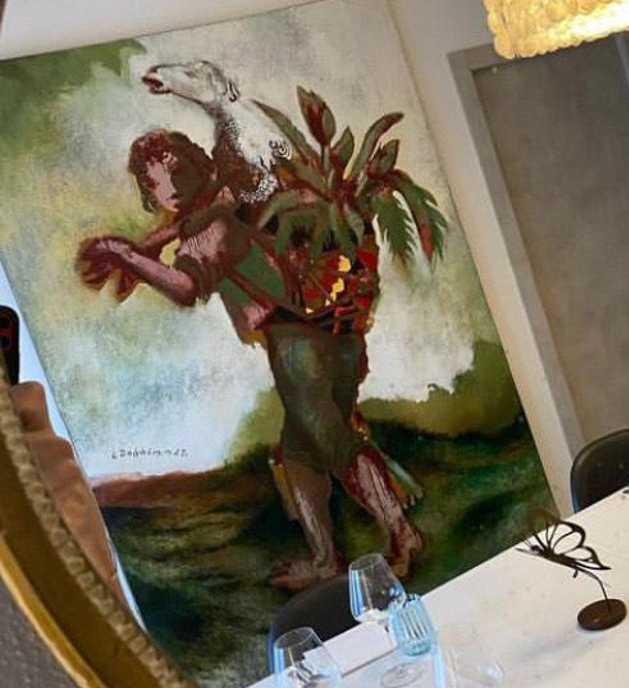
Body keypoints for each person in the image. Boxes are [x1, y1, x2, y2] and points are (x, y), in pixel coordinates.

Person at [77, 128, 425, 589]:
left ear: (198, 164)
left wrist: (124, 254)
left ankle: (402, 534)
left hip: (295, 345)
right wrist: (146, 247)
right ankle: (326, 558)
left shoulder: (210, 228)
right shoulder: (229, 202)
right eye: (156, 181)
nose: (170, 186)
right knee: (298, 454)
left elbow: (186, 288)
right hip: (336, 337)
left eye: (176, 170)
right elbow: (187, 226)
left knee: (333, 443)